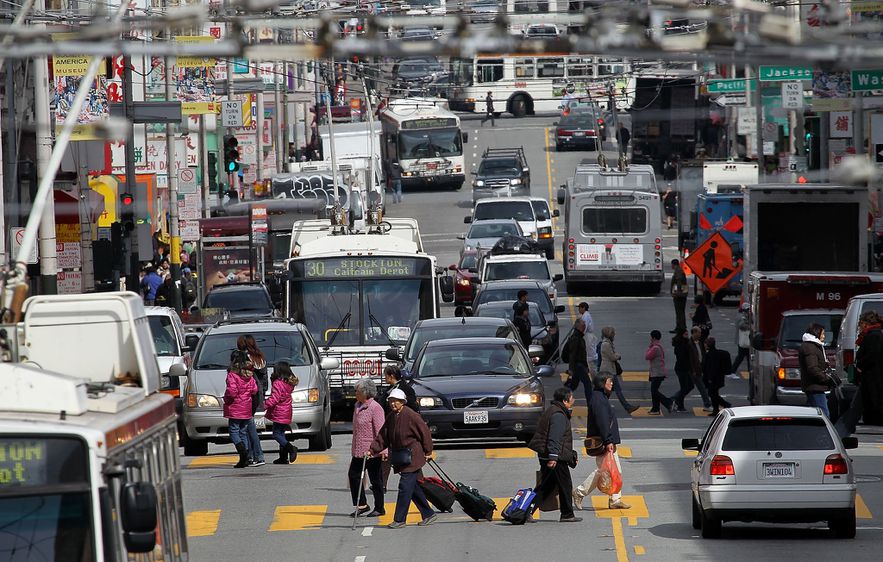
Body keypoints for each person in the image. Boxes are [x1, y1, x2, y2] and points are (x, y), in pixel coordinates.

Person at [370, 388, 436, 529]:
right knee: (413, 488)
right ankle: (428, 513)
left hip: (413, 456)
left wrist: (428, 451)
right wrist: (372, 449)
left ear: (402, 402)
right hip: (402, 456)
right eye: (391, 402)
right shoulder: (391, 416)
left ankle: (399, 519)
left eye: (396, 402)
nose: (393, 404)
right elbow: (383, 436)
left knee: (404, 487)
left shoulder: (411, 415)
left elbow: (425, 433)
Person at [573, 374, 630, 510]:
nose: (612, 384)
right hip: (603, 442)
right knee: (603, 471)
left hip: (606, 440)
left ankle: (615, 499)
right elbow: (603, 422)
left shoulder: (600, 397)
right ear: (602, 383)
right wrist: (608, 440)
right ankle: (579, 492)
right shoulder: (598, 399)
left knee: (614, 471)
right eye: (610, 381)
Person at [528, 387, 581, 523]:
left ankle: (526, 510)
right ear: (565, 400)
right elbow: (554, 438)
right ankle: (567, 514)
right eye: (571, 398)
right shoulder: (558, 415)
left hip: (552, 455)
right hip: (555, 457)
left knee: (546, 486)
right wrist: (553, 457)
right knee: (565, 485)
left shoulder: (554, 411)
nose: (573, 400)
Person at [836, 312, 883, 436]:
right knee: (856, 407)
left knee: (855, 408)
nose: (859, 328)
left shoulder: (873, 336)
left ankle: (842, 433)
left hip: (871, 378)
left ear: (866, 324)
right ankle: (844, 431)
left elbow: (873, 356)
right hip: (869, 379)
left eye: (860, 324)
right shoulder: (874, 335)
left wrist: (860, 365)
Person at [350, 378, 387, 517]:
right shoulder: (357, 406)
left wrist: (383, 450)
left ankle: (380, 507)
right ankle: (362, 505)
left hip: (372, 451)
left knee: (376, 480)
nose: (355, 393)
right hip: (359, 450)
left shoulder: (375, 408)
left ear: (365, 392)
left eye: (357, 391)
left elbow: (380, 431)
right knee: (353, 475)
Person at [223, 351, 259, 469]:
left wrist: (226, 399)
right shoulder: (249, 375)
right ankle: (247, 456)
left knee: (233, 431)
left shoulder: (232, 375)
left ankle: (242, 452)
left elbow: (232, 392)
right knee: (243, 431)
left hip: (235, 407)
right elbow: (254, 390)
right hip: (247, 407)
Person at [238, 335, 267, 466]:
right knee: (248, 426)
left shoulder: (244, 358)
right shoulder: (260, 357)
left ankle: (257, 455)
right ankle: (251, 455)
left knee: (249, 427)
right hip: (258, 394)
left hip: (248, 395)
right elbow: (264, 380)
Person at [264, 361, 299, 465]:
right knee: (281, 434)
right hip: (286, 411)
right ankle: (283, 457)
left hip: (279, 412)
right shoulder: (288, 383)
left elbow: (275, 398)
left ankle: (291, 448)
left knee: (276, 434)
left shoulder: (278, 383)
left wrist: (264, 405)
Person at [599, 326, 638, 414]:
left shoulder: (607, 343)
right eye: (613, 333)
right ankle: (627, 407)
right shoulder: (606, 344)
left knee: (607, 391)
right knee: (616, 390)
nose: (614, 335)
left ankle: (601, 406)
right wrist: (618, 356)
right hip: (608, 371)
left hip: (609, 370)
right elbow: (612, 357)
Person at [798, 324, 831, 418]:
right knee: (824, 415)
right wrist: (825, 378)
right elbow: (812, 368)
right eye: (823, 334)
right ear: (817, 333)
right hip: (815, 386)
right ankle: (823, 432)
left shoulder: (813, 346)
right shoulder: (810, 347)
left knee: (813, 414)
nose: (824, 337)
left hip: (814, 385)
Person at [645, 330, 674, 415]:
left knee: (654, 391)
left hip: (657, 373)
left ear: (653, 337)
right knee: (654, 391)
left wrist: (649, 347)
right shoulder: (658, 346)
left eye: (651, 337)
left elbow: (647, 356)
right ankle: (655, 408)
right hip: (657, 372)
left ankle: (668, 402)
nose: (650, 338)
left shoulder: (655, 348)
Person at [703, 337, 733, 416]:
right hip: (718, 377)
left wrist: (709, 378)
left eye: (705, 344)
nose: (704, 345)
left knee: (712, 393)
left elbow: (711, 368)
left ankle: (725, 404)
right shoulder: (717, 353)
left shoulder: (710, 355)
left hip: (713, 378)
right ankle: (716, 409)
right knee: (714, 393)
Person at [688, 326, 713, 411]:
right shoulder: (690, 344)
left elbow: (702, 354)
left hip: (700, 368)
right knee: (702, 387)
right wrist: (693, 370)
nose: (700, 334)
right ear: (694, 333)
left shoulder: (700, 342)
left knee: (688, 387)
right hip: (695, 369)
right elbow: (690, 359)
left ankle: (675, 400)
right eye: (699, 332)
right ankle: (707, 404)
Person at [566, 319, 590, 399]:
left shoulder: (580, 337)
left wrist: (586, 366)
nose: (584, 327)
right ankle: (591, 404)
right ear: (578, 327)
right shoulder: (576, 338)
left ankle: (563, 397)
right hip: (578, 365)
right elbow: (572, 354)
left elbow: (583, 354)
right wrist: (571, 369)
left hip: (580, 365)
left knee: (573, 385)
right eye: (583, 325)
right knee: (588, 384)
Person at [670, 329, 692, 412]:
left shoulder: (684, 343)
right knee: (684, 387)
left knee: (689, 386)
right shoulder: (681, 344)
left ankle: (676, 400)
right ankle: (679, 405)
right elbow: (682, 357)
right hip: (682, 368)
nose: (687, 336)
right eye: (685, 334)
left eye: (687, 334)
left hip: (684, 368)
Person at [578, 302, 598, 377]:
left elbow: (584, 327)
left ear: (583, 308)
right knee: (589, 354)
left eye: (580, 308)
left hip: (588, 336)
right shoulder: (585, 315)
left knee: (590, 355)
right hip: (588, 336)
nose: (579, 309)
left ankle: (594, 374)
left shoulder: (585, 316)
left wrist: (580, 335)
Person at [731, 303, 751, 379]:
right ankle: (732, 371)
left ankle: (750, 372)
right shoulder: (742, 316)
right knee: (741, 357)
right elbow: (741, 325)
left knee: (746, 357)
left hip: (742, 340)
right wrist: (750, 327)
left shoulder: (742, 315)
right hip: (742, 340)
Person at [670, 259, 688, 334]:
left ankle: (681, 328)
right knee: (680, 312)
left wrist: (678, 292)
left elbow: (679, 281)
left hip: (679, 295)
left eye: (672, 265)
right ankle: (679, 327)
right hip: (680, 294)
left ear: (673, 264)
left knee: (679, 312)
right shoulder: (679, 270)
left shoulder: (678, 271)